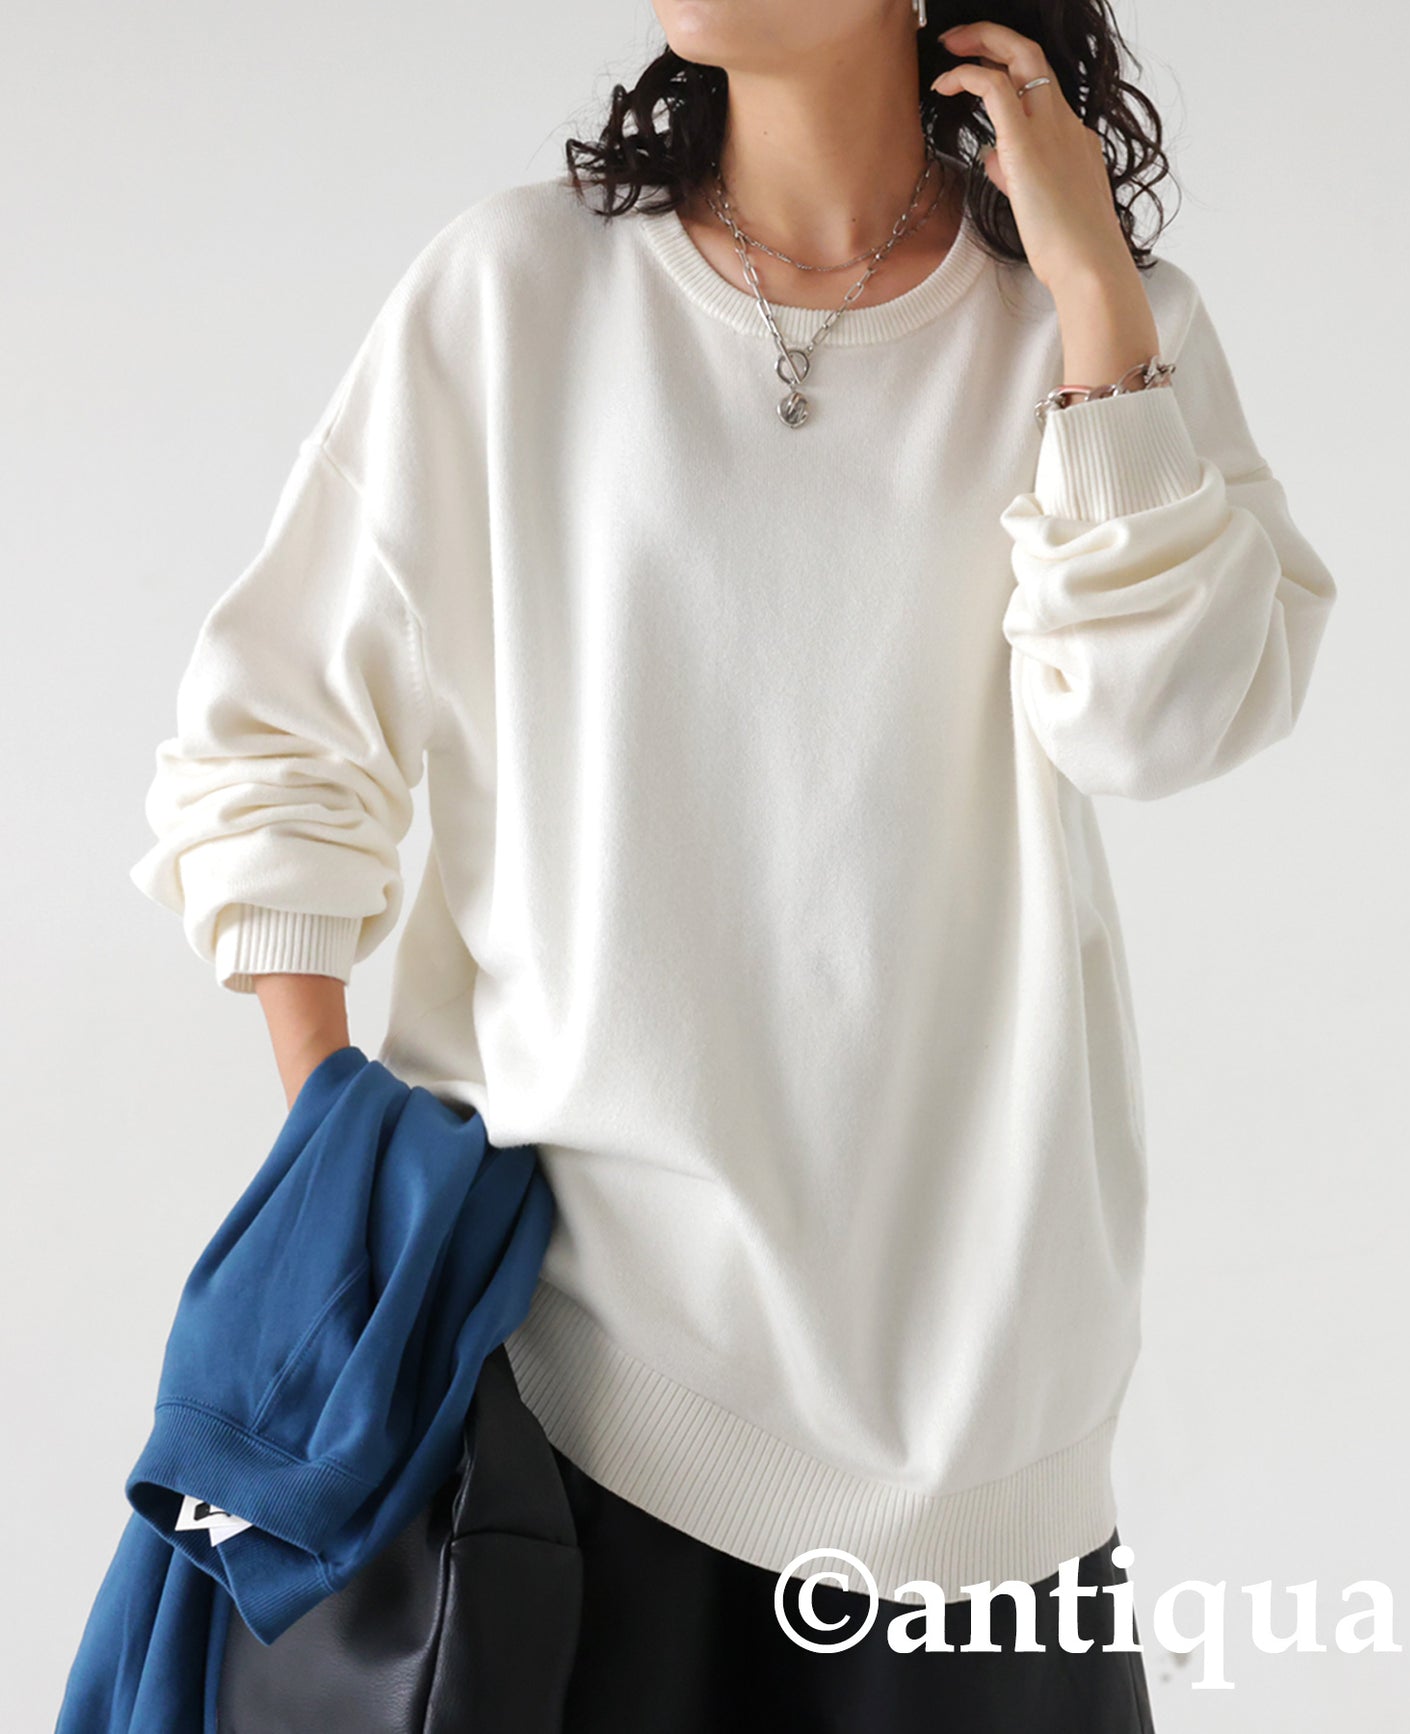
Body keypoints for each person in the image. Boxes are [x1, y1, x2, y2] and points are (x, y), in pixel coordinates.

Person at [126, 1, 1338, 1728]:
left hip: (978, 1435)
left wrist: (1091, 298)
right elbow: (272, 733)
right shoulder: (515, 298)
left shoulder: (1088, 332)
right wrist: (343, 1163)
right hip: (564, 1373)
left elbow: (1160, 720)